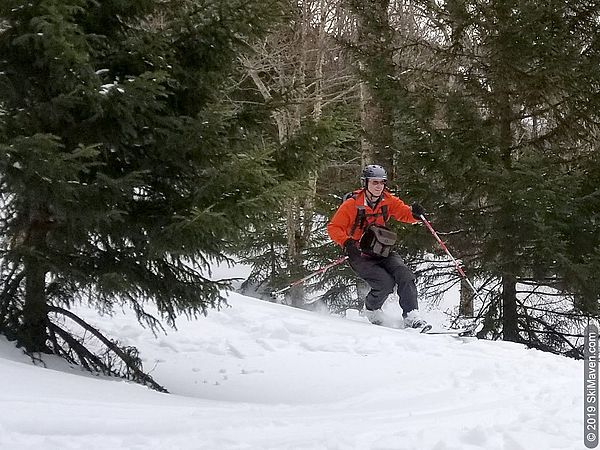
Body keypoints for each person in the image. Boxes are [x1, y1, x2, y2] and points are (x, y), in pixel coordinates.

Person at [326, 164, 428, 328]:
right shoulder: (352, 205)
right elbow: (334, 227)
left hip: (382, 249)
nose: (379, 186)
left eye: (381, 182)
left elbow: (403, 213)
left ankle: (411, 315)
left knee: (404, 274)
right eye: (374, 182)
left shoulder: (387, 201)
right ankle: (372, 309)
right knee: (384, 283)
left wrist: (415, 214)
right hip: (360, 254)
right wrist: (346, 242)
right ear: (365, 183)